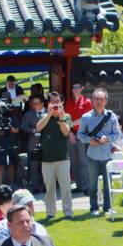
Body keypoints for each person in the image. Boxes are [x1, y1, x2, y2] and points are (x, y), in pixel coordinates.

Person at [78, 88, 121, 216]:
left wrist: (107, 138)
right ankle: (94, 208)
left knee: (108, 184)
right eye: (96, 99)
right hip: (92, 155)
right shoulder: (86, 117)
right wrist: (89, 140)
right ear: (92, 100)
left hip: (107, 155)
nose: (99, 102)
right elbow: (80, 134)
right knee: (92, 184)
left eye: (102, 99)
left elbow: (117, 134)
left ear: (106, 101)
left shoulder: (111, 116)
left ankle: (107, 208)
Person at [36, 92, 74, 220]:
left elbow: (66, 132)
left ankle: (68, 212)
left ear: (61, 103)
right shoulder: (43, 116)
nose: (55, 104)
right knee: (50, 188)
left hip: (63, 158)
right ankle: (50, 213)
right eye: (52, 101)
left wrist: (61, 118)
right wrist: (49, 115)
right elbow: (38, 128)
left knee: (65, 187)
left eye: (57, 101)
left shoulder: (66, 116)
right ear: (48, 104)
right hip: (46, 159)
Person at [66, 82, 92, 194]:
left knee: (83, 161)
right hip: (71, 134)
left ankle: (87, 186)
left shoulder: (87, 102)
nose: (75, 89)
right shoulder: (69, 103)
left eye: (78, 87)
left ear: (82, 88)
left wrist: (72, 123)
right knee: (74, 161)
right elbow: (65, 119)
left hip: (82, 135)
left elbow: (85, 119)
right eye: (74, 87)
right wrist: (70, 132)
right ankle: (79, 185)